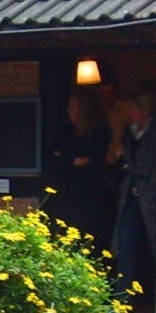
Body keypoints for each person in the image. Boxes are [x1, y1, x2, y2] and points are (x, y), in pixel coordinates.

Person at [112, 85, 156, 301]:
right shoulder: (130, 132)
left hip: (151, 198)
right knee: (125, 245)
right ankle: (122, 302)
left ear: (144, 109)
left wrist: (151, 193)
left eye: (132, 108)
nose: (128, 112)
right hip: (131, 196)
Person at [44, 86, 114, 246]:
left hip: (87, 194)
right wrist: (74, 161)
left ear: (83, 109)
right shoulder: (66, 131)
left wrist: (68, 159)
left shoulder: (98, 132)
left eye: (73, 106)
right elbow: (54, 157)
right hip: (65, 192)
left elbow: (95, 162)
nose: (68, 110)